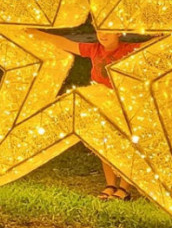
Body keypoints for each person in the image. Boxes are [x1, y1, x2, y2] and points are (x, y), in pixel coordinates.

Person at [25, 27, 142, 201]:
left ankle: (124, 188)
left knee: (125, 144)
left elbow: (153, 47)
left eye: (108, 30)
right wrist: (35, 33)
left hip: (123, 103)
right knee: (104, 144)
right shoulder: (95, 49)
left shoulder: (129, 50)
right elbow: (66, 44)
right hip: (101, 102)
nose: (102, 35)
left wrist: (167, 36)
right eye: (99, 30)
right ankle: (110, 184)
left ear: (119, 32)